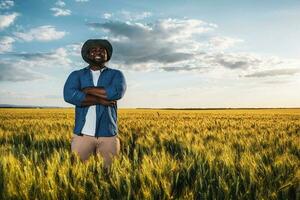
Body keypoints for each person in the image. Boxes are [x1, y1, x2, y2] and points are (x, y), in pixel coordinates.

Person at [63, 39, 126, 169]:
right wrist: (101, 99)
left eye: (102, 50)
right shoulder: (77, 75)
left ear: (107, 55)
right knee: (78, 173)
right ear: (87, 55)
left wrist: (86, 90)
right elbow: (69, 95)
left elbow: (116, 92)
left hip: (109, 135)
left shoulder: (116, 74)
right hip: (82, 135)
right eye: (93, 50)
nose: (98, 52)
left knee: (110, 173)